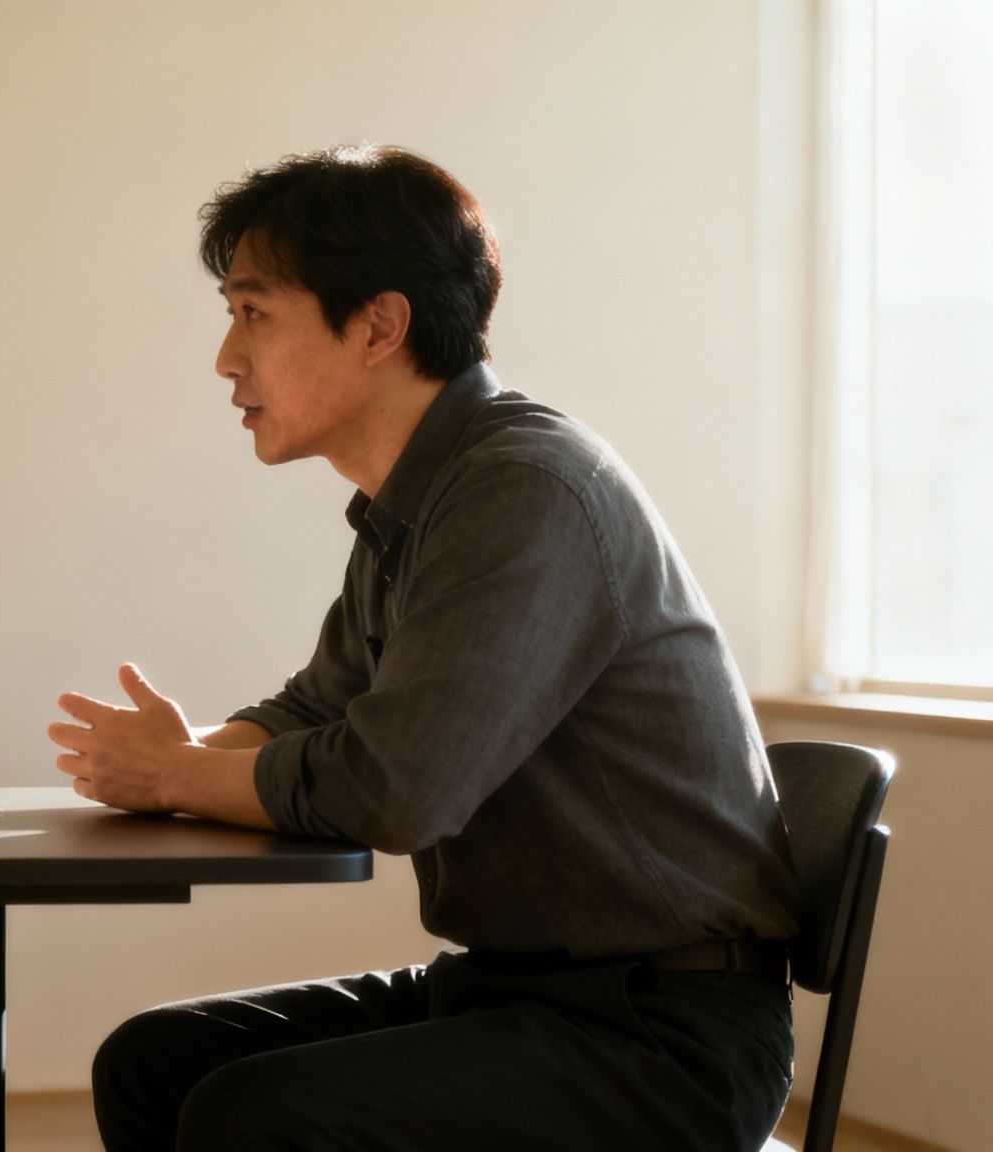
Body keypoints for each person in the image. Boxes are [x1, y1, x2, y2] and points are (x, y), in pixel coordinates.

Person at [48, 146, 803, 1151]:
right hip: (513, 993)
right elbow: (320, 706)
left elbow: (393, 787)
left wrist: (176, 775)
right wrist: (184, 754)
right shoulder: (418, 499)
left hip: (658, 1035)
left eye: (251, 313)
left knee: (251, 1114)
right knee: (153, 1062)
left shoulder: (522, 488)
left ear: (377, 325)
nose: (226, 358)